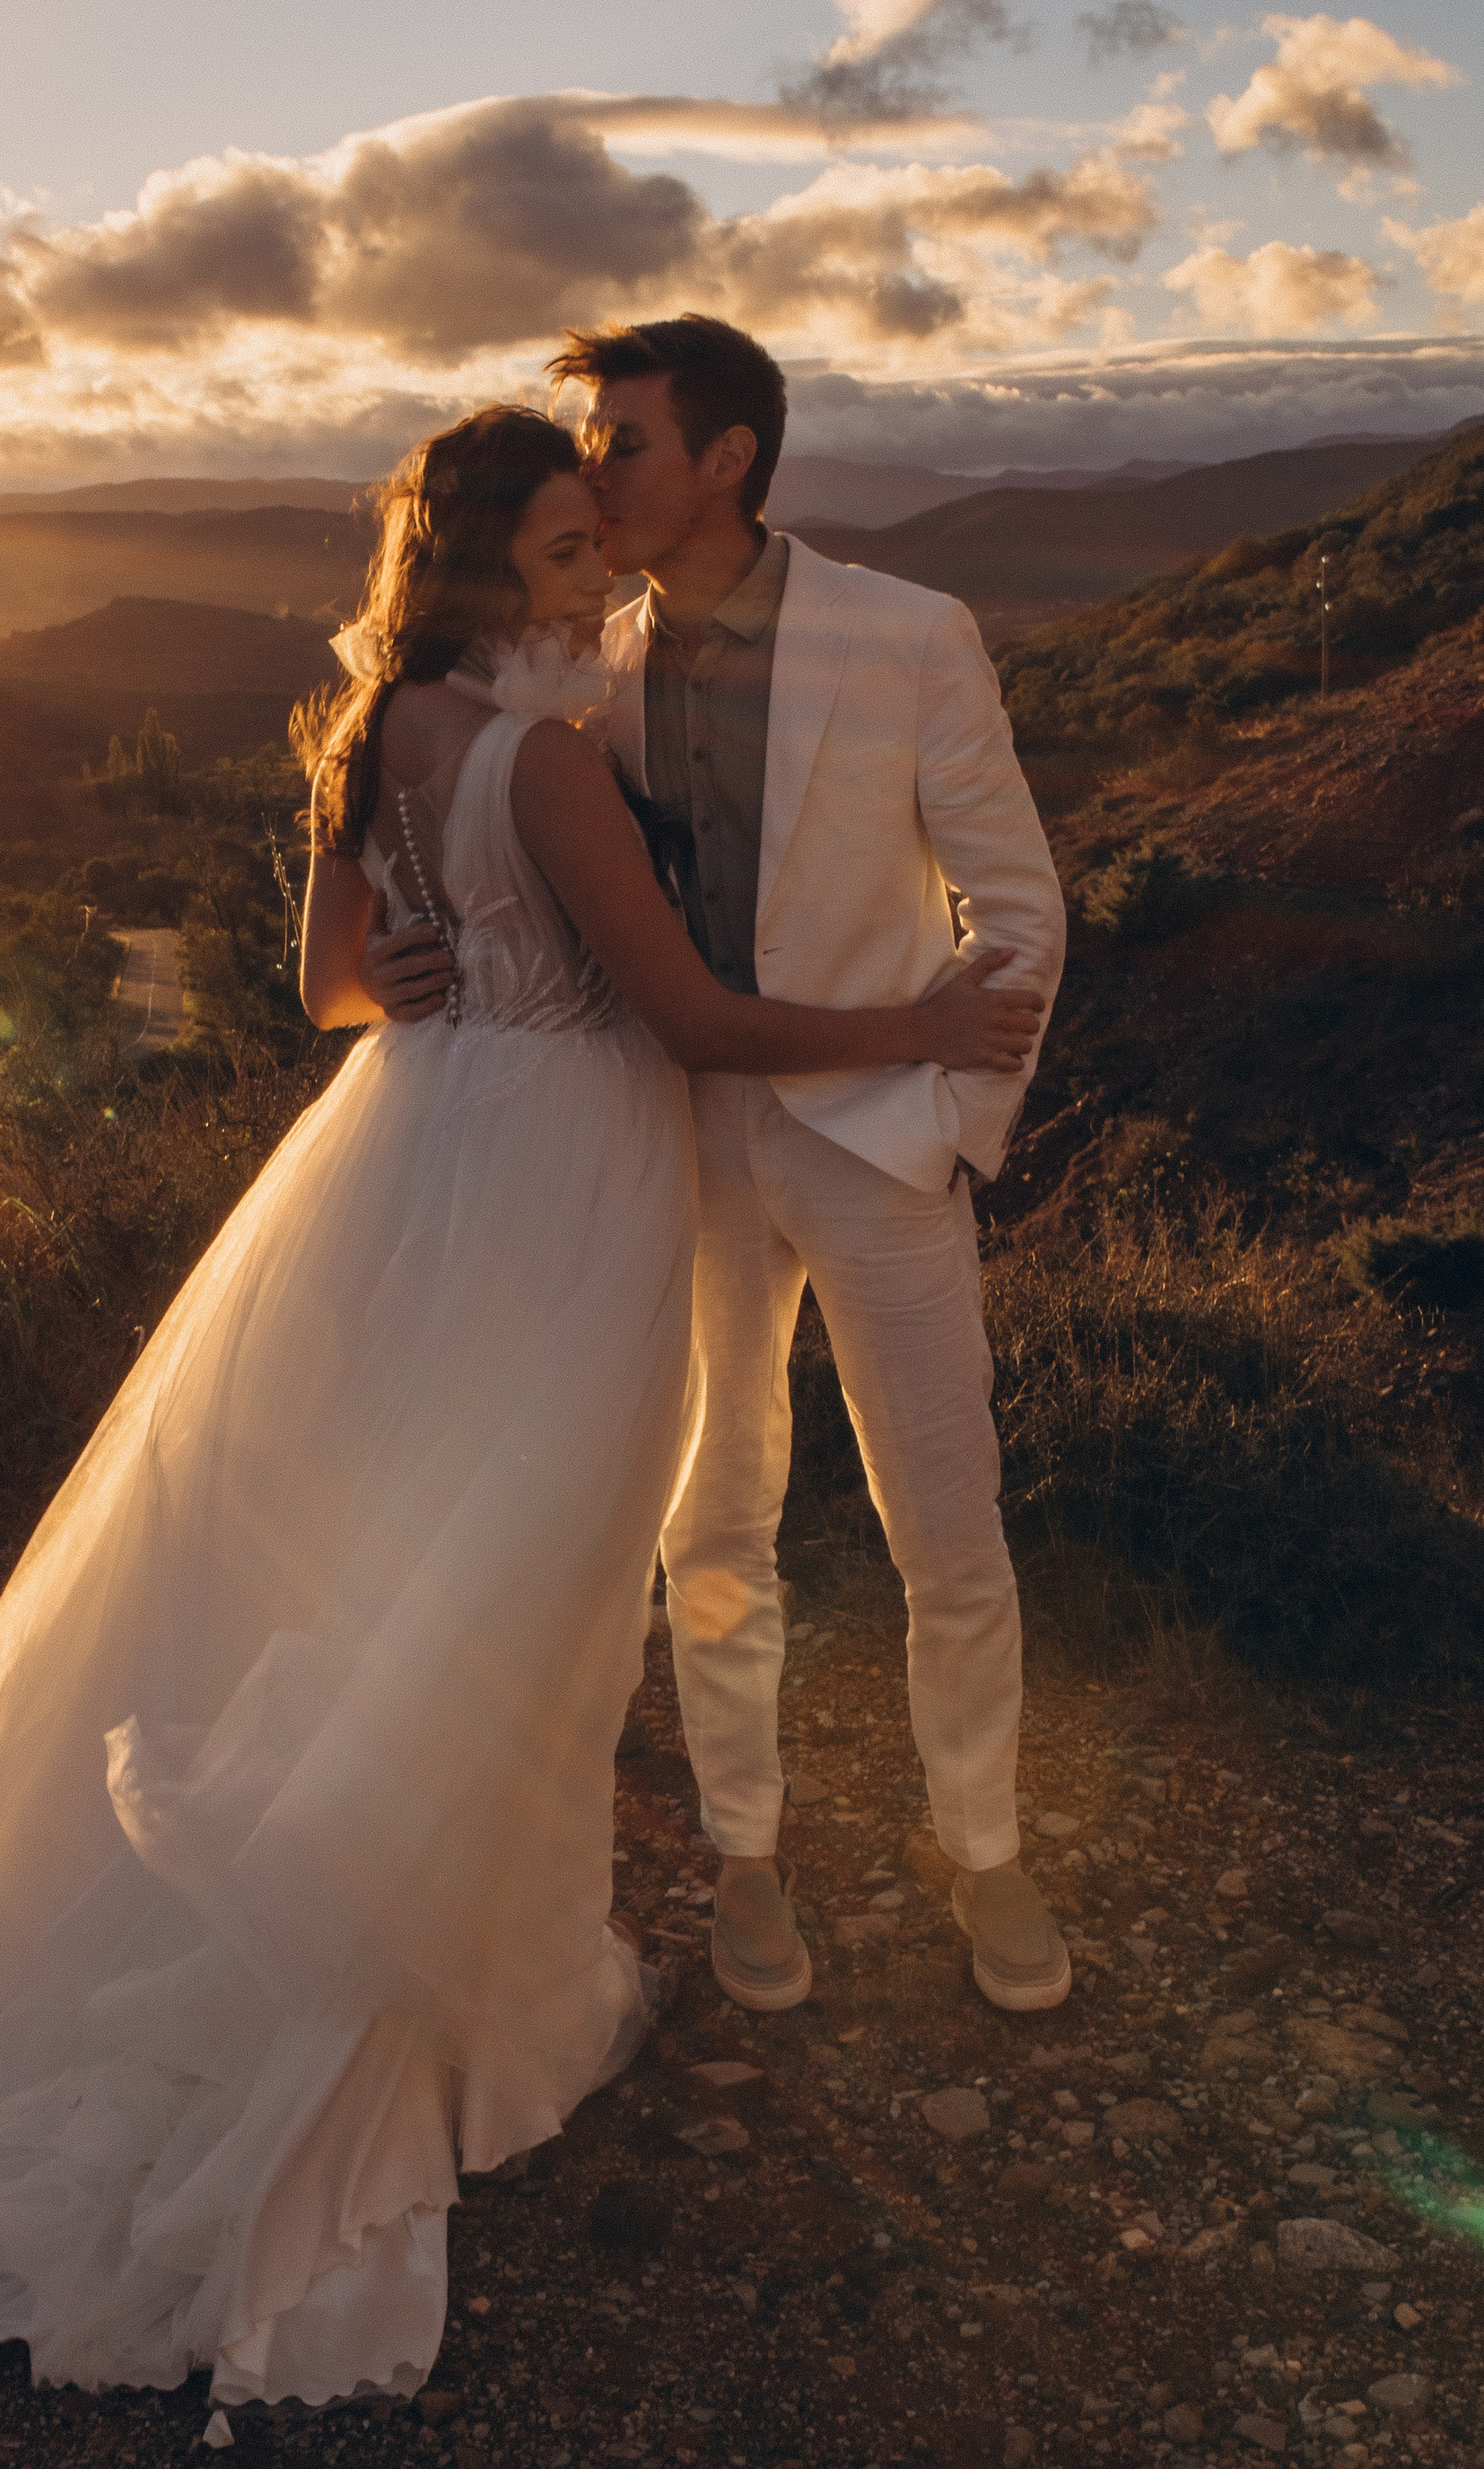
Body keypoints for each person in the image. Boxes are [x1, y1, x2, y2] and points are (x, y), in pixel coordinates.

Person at [0, 407, 1042, 2414]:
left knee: (404, 1541)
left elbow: (332, 990)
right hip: (569, 1185)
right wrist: (919, 1024)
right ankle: (413, 1977)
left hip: (415, 1157)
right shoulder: (540, 758)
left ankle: (425, 1910)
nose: (597, 570)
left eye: (596, 540)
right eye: (559, 550)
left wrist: (445, 964)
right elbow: (689, 1020)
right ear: (484, 571)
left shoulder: (386, 732)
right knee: (521, 1580)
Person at [566, 311, 1071, 2016]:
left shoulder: (909, 634)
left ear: (729, 459)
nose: (594, 473)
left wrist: (945, 1121)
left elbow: (1021, 908)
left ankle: (984, 1849)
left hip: (881, 1146)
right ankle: (747, 1854)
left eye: (623, 440)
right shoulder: (594, 664)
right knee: (714, 1519)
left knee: (951, 1524)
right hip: (684, 1146)